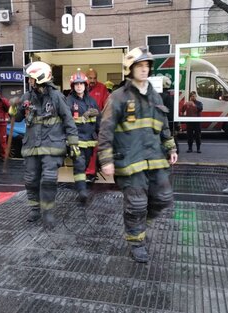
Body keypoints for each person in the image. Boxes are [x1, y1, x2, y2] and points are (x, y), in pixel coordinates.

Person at [98, 47, 178, 263]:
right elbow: (105, 130)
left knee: (163, 198)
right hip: (130, 160)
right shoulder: (118, 97)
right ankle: (136, 243)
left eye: (147, 66)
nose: (144, 70)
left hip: (155, 158)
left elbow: (163, 124)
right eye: (140, 66)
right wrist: (106, 160)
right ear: (129, 69)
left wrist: (170, 147)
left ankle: (141, 224)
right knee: (136, 205)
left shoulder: (154, 94)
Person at [8, 61, 79, 228]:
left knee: (48, 179)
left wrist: (73, 142)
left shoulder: (56, 97)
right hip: (31, 146)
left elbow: (68, 120)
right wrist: (12, 107)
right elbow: (16, 118)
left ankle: (48, 211)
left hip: (52, 145)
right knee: (31, 180)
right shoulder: (27, 97)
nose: (29, 81)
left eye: (31, 78)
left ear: (39, 78)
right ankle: (34, 209)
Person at [66, 70, 100, 203]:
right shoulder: (68, 101)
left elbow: (99, 119)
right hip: (76, 140)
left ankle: (81, 188)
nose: (79, 86)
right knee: (79, 165)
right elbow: (66, 122)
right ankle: (82, 191)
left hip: (89, 141)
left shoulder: (91, 101)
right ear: (73, 86)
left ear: (85, 85)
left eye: (81, 84)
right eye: (76, 84)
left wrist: (100, 135)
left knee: (84, 165)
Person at [84, 68, 110, 183]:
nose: (93, 80)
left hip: (97, 124)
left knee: (94, 149)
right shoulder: (80, 87)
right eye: (90, 78)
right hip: (83, 124)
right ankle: (84, 172)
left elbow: (106, 106)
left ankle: (90, 173)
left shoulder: (102, 88)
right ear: (86, 78)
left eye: (94, 78)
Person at [159, 76, 179, 153]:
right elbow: (171, 113)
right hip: (168, 123)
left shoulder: (157, 96)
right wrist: (176, 124)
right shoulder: (168, 97)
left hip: (159, 123)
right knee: (171, 138)